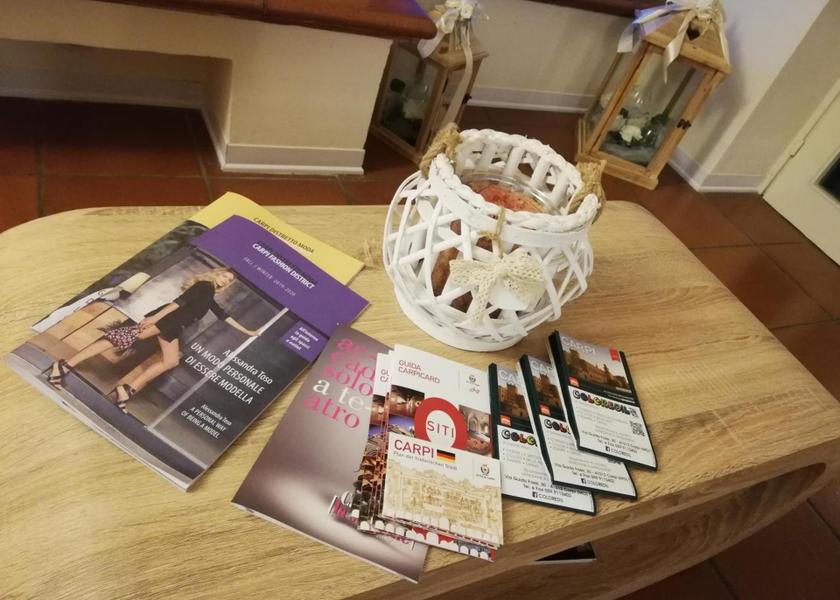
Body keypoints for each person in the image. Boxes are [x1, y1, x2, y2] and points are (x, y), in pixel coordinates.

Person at [47, 268, 260, 413]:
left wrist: (248, 331)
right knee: (118, 339)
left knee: (170, 360)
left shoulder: (209, 294)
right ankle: (63, 365)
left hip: (174, 326)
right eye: (224, 276)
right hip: (166, 320)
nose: (225, 280)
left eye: (229, 281)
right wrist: (155, 318)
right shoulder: (204, 285)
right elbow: (179, 302)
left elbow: (223, 315)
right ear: (217, 273)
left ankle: (126, 390)